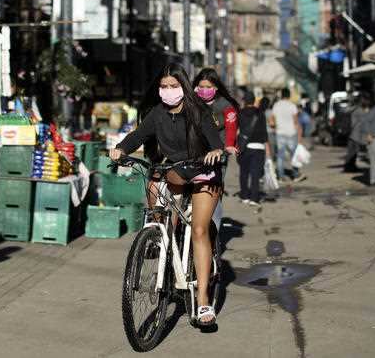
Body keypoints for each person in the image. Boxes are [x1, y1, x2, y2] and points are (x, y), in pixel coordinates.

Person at [109, 63, 224, 327]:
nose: (169, 91)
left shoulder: (199, 112)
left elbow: (215, 141)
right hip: (175, 172)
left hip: (204, 172)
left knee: (198, 231)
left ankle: (204, 299)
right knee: (156, 191)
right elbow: (138, 135)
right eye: (164, 86)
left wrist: (215, 152)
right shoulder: (157, 114)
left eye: (174, 86)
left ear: (184, 86)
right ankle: (163, 248)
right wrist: (120, 149)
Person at [192, 68, 239, 156]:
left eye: (208, 87)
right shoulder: (192, 102)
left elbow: (231, 126)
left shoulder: (225, 105)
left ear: (216, 87)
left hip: (219, 149)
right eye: (201, 87)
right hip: (197, 150)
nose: (204, 90)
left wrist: (229, 145)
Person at [237, 91, 271, 207]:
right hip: (259, 147)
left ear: (244, 101)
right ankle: (254, 198)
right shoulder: (260, 114)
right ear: (253, 100)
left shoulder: (240, 113)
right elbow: (264, 133)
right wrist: (268, 151)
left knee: (244, 172)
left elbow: (238, 131)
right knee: (255, 174)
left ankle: (244, 196)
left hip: (245, 147)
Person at [269, 88, 303, 182]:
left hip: (280, 133)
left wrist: (274, 127)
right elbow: (295, 121)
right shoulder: (292, 106)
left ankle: (280, 176)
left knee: (280, 155)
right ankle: (295, 175)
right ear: (289, 95)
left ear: (281, 95)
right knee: (294, 155)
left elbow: (272, 120)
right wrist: (299, 134)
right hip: (291, 133)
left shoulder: (276, 105)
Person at [343, 93, 372, 172]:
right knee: (352, 152)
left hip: (354, 134)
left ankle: (350, 167)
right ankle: (349, 167)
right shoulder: (359, 110)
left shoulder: (356, 109)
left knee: (353, 152)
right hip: (355, 134)